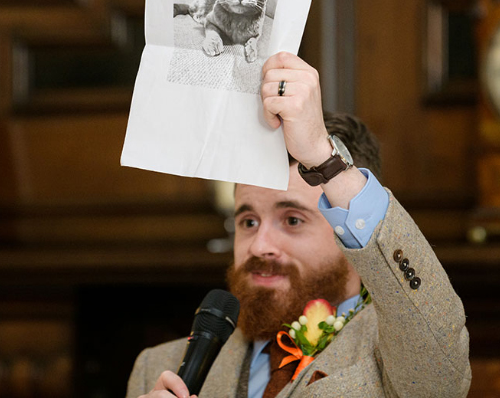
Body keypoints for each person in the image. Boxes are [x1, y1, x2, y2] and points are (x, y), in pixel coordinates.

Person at [127, 52, 471, 398]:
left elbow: (437, 373)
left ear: (348, 226)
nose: (259, 245)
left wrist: (323, 158)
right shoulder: (158, 368)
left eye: (292, 220)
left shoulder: (400, 351)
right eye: (248, 221)